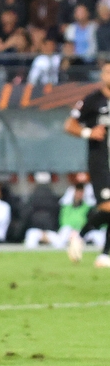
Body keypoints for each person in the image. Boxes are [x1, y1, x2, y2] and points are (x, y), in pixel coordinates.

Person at [64, 61, 110, 268]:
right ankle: (79, 236)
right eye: (108, 71)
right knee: (108, 207)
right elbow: (70, 124)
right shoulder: (92, 101)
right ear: (102, 74)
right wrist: (89, 132)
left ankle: (106, 255)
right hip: (101, 162)